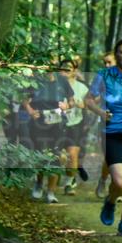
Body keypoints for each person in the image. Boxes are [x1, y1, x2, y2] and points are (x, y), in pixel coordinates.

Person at [87, 40, 122, 236]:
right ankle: (111, 201)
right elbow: (88, 100)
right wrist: (101, 113)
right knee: (121, 182)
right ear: (116, 54)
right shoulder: (104, 75)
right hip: (111, 133)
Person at [22, 60, 74, 203]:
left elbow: (72, 101)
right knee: (40, 154)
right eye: (47, 64)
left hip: (58, 123)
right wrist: (31, 111)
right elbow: (25, 100)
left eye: (53, 64)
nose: (49, 68)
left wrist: (67, 105)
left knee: (56, 155)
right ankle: (39, 184)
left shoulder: (62, 80)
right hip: (38, 122)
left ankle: (51, 192)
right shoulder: (35, 80)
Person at [61, 55, 89, 195]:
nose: (66, 71)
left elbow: (89, 104)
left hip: (75, 123)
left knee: (72, 154)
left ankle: (69, 182)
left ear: (74, 71)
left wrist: (81, 104)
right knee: (60, 155)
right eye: (63, 68)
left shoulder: (82, 88)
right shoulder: (54, 85)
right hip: (56, 124)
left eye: (69, 68)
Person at [96, 51, 116, 198]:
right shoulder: (101, 77)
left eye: (110, 62)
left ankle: (116, 187)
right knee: (111, 157)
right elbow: (92, 98)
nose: (107, 65)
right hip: (106, 123)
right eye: (105, 62)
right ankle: (103, 179)